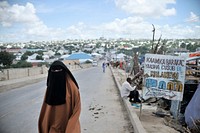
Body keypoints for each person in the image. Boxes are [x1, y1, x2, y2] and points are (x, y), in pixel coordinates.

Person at [38, 60, 81, 133]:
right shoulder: (50, 89)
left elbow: (77, 109)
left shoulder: (72, 87)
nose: (56, 72)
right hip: (52, 129)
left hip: (67, 126)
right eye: (54, 70)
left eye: (59, 70)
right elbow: (45, 111)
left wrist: (71, 127)